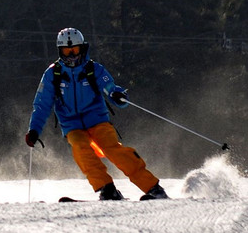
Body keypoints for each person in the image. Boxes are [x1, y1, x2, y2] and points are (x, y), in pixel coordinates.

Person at [25, 27, 168, 200]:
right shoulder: (52, 74)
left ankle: (153, 187)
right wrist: (34, 130)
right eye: (67, 51)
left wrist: (118, 96)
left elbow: (109, 87)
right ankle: (107, 188)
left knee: (112, 149)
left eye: (75, 50)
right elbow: (41, 105)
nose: (71, 56)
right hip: (72, 126)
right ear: (60, 51)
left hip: (98, 121)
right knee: (79, 147)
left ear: (82, 49)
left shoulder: (94, 69)